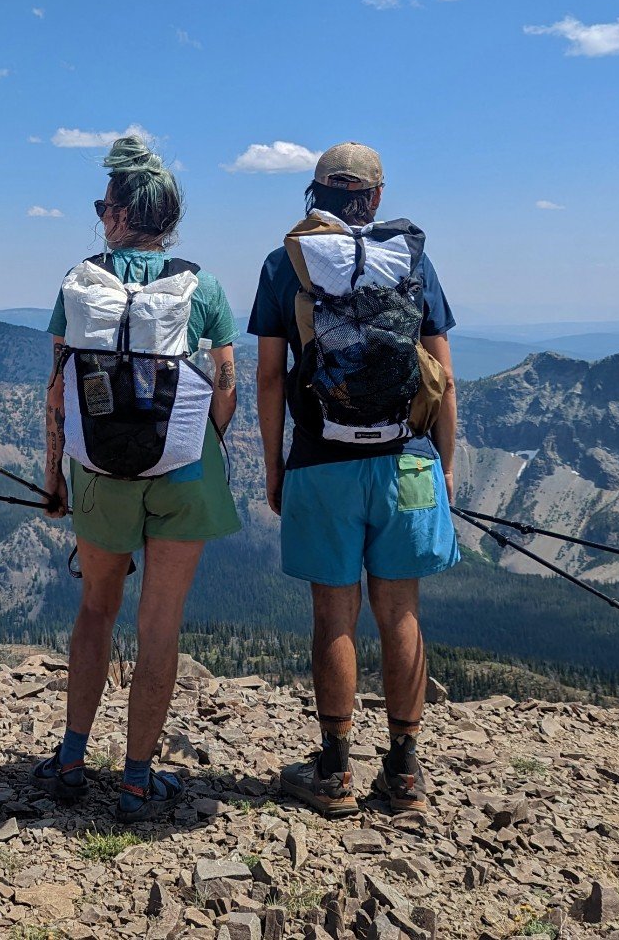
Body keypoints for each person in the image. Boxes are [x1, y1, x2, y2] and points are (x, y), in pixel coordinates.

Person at [31, 135, 241, 822]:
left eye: (103, 206)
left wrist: (55, 477)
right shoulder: (202, 286)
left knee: (95, 610)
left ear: (120, 215)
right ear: (170, 218)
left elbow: (59, 392)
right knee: (160, 625)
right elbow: (227, 387)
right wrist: (199, 446)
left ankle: (69, 760)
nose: (101, 217)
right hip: (183, 471)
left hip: (98, 473)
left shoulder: (80, 281)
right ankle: (136, 780)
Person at [247, 142, 459, 817]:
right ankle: (403, 772)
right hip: (407, 459)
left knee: (332, 613)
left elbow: (270, 376)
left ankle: (335, 770)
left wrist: (275, 464)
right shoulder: (411, 260)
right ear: (374, 195)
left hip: (322, 460)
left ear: (317, 194)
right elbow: (442, 374)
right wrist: (445, 464)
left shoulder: (287, 264)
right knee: (399, 612)